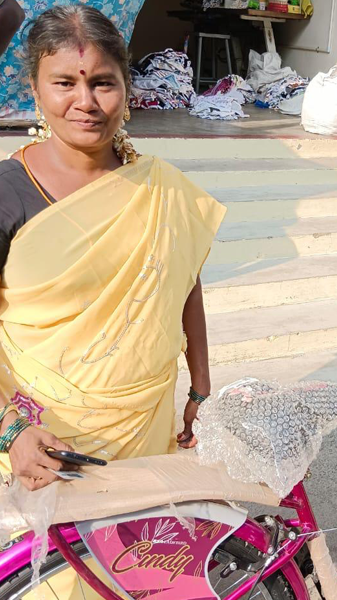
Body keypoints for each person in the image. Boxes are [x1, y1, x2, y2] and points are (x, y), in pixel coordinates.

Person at [0, 3, 226, 499]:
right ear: (34, 90)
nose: (87, 101)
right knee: (56, 575)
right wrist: (9, 429)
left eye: (103, 82)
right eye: (64, 83)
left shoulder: (162, 190)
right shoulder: (7, 193)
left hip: (141, 426)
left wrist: (200, 388)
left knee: (140, 561)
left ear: (126, 88)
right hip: (40, 440)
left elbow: (183, 282)